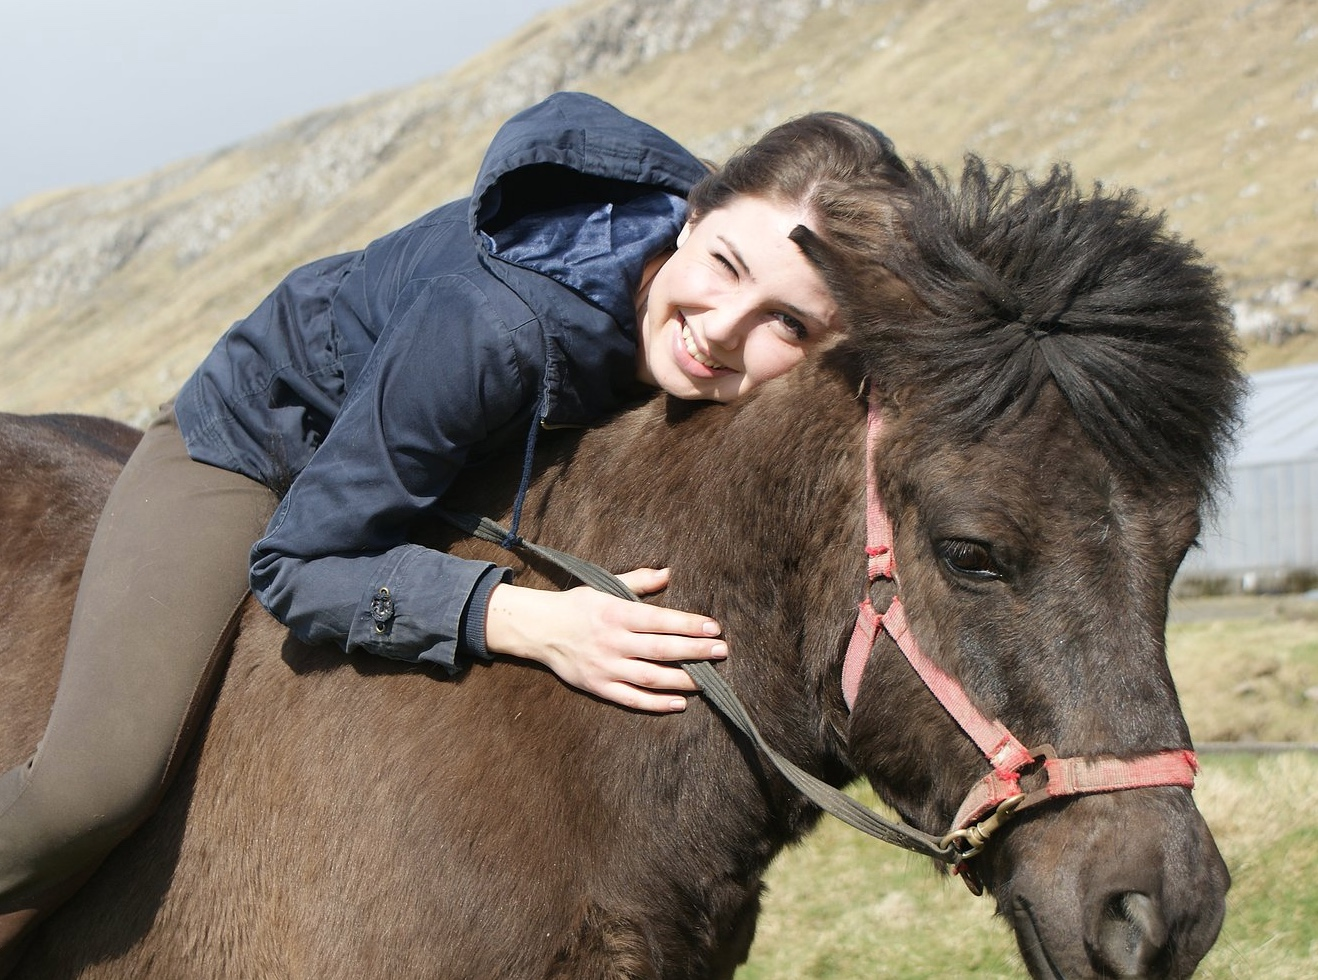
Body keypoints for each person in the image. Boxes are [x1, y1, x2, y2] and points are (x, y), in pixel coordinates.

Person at [0, 91, 909, 965]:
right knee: (97, 784)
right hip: (261, 450)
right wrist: (523, 618)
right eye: (726, 266)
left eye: (786, 323)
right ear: (694, 214)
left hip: (422, 465)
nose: (720, 330)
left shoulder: (692, 343)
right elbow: (300, 562)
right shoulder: (492, 328)